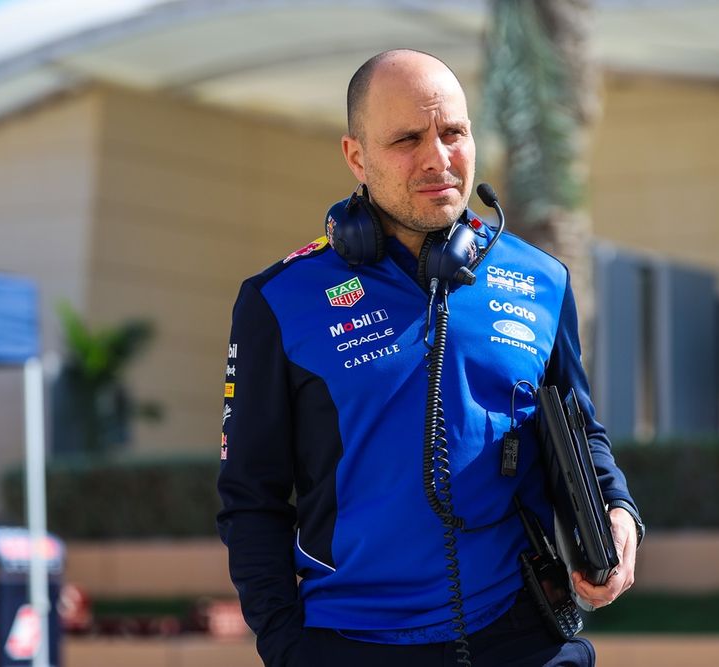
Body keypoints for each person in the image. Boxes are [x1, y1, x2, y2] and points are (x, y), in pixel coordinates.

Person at [217, 49, 644, 667]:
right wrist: (286, 647)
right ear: (356, 157)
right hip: (350, 644)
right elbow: (249, 497)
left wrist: (617, 509)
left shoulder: (541, 279)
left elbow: (580, 430)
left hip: (522, 634)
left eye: (453, 133)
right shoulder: (279, 301)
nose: (438, 159)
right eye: (407, 139)